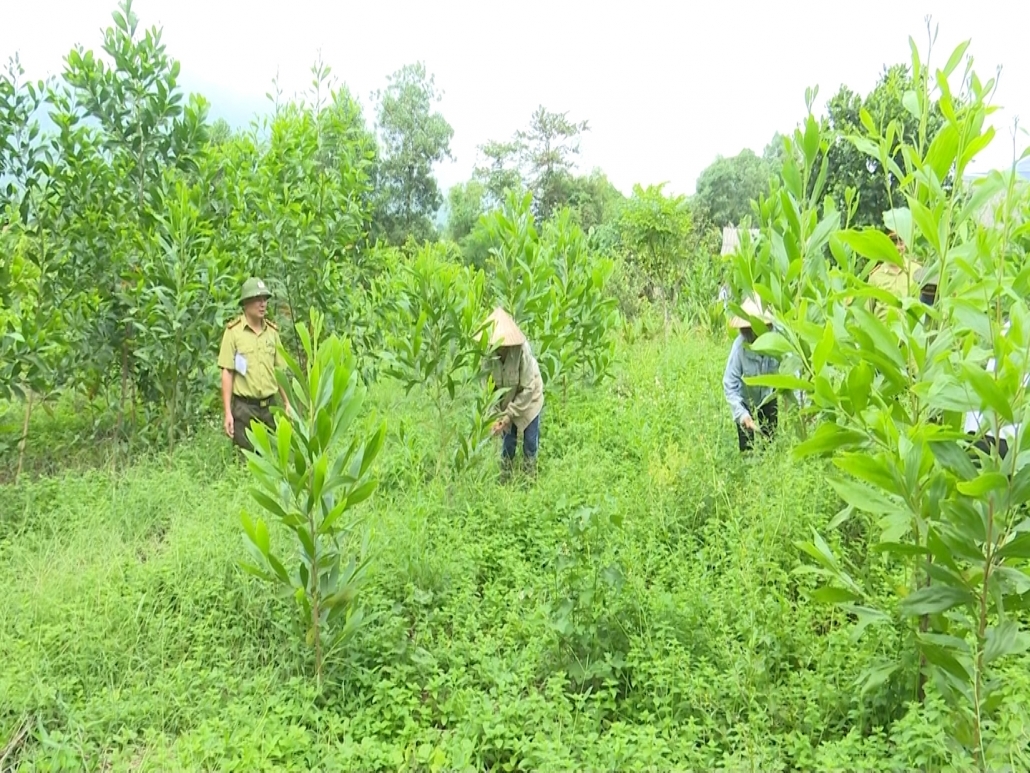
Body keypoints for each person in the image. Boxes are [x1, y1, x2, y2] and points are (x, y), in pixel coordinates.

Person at [217, 277, 292, 454]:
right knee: (247, 460)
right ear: (246, 303)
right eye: (257, 299)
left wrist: (288, 403)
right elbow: (227, 372)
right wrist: (227, 412)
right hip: (244, 409)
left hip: (270, 408)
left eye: (265, 299)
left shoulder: (272, 333)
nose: (262, 304)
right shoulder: (233, 333)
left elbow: (279, 371)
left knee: (273, 458)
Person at [483, 307, 545, 483]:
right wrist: (495, 417)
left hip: (529, 398)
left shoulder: (521, 350)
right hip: (506, 403)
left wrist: (509, 415)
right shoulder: (487, 356)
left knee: (530, 442)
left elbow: (528, 388)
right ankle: (505, 478)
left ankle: (529, 479)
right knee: (508, 443)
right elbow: (488, 391)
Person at [723, 295, 782, 452]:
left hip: (768, 396)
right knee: (747, 448)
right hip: (745, 398)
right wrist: (742, 414)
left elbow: (794, 374)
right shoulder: (739, 348)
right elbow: (730, 383)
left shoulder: (779, 340)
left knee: (770, 444)